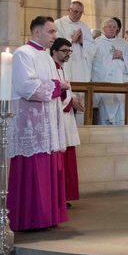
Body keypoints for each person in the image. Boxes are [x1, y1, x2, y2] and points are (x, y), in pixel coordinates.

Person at [8, 16, 69, 231]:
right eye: (51, 31)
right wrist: (57, 86)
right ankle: (29, 219)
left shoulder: (46, 56)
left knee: (47, 169)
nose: (55, 36)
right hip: (31, 126)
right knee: (32, 170)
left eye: (55, 31)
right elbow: (27, 86)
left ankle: (46, 217)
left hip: (47, 123)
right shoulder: (23, 54)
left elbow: (52, 87)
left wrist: (60, 87)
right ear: (36, 32)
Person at [51, 38, 82, 206]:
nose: (67, 54)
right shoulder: (51, 69)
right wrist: (71, 101)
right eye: (64, 51)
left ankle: (64, 196)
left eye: (69, 51)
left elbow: (67, 91)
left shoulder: (63, 68)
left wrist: (74, 98)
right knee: (60, 160)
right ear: (54, 51)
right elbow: (53, 95)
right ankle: (57, 197)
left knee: (68, 159)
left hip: (67, 119)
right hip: (58, 119)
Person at [55, 1, 95, 125]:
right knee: (65, 97)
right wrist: (71, 40)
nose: (78, 15)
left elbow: (93, 49)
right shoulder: (59, 23)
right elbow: (55, 45)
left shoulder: (84, 27)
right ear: (69, 10)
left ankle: (81, 129)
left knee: (81, 101)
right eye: (75, 11)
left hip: (81, 69)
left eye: (80, 13)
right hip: (66, 67)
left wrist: (83, 42)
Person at [92, 18, 128, 125]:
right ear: (104, 28)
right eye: (109, 27)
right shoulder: (97, 43)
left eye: (114, 27)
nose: (112, 29)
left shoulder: (123, 43)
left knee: (121, 114)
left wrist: (123, 57)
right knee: (105, 116)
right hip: (105, 82)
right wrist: (111, 57)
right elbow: (94, 64)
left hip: (121, 82)